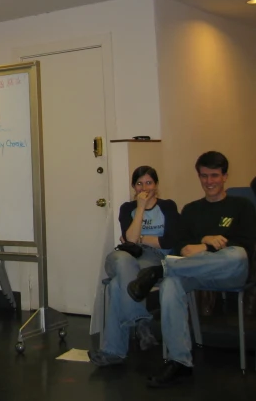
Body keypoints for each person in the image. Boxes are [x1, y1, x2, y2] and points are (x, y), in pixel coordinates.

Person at [126, 151, 256, 387]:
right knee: (171, 285)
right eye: (204, 176)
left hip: (231, 273)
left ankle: (161, 269)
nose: (209, 182)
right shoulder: (191, 210)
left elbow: (245, 247)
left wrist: (203, 246)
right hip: (192, 273)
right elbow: (183, 248)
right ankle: (180, 362)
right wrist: (208, 241)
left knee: (236, 254)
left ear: (225, 176)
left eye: (214, 176)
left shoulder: (242, 206)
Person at [88, 166, 179, 366]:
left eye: (149, 183)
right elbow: (130, 240)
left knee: (115, 286)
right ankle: (140, 320)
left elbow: (169, 242)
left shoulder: (168, 206)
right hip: (126, 256)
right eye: (139, 183)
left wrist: (140, 238)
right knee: (121, 261)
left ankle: (113, 351)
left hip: (155, 259)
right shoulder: (128, 209)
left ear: (156, 185)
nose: (144, 187)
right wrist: (140, 207)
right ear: (133, 186)